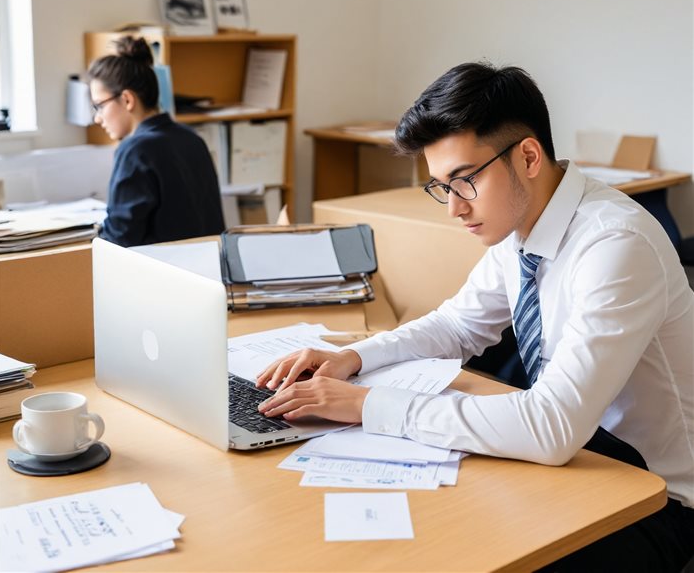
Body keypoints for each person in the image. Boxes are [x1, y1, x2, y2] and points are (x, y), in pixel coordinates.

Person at [256, 62, 694, 571]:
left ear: (528, 156)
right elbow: (456, 325)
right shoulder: (524, 226)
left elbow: (551, 427)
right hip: (584, 455)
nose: (454, 209)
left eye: (463, 182)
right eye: (442, 187)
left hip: (658, 494)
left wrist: (367, 405)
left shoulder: (616, 245)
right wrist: (352, 356)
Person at [87, 36, 225, 247]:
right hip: (206, 271)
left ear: (127, 100)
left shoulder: (135, 150)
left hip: (161, 274)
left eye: (100, 106)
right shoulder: (192, 139)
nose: (97, 118)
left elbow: (119, 238)